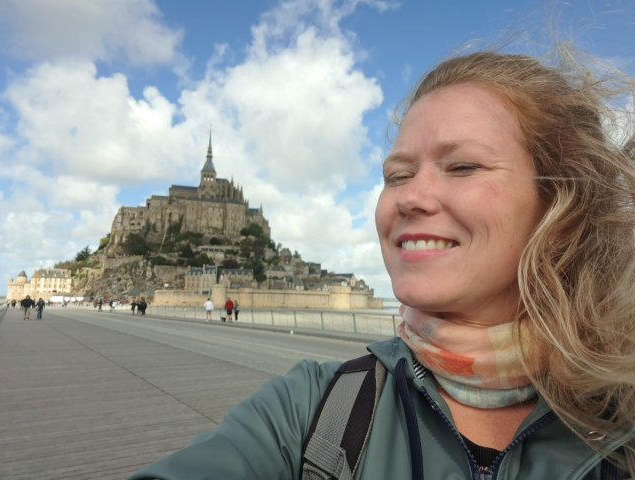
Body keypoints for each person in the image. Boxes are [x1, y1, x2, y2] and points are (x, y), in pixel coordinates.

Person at [127, 49, 635, 479]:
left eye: (462, 166)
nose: (411, 196)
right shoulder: (315, 408)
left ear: (562, 200)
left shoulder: (623, 421)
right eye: (397, 174)